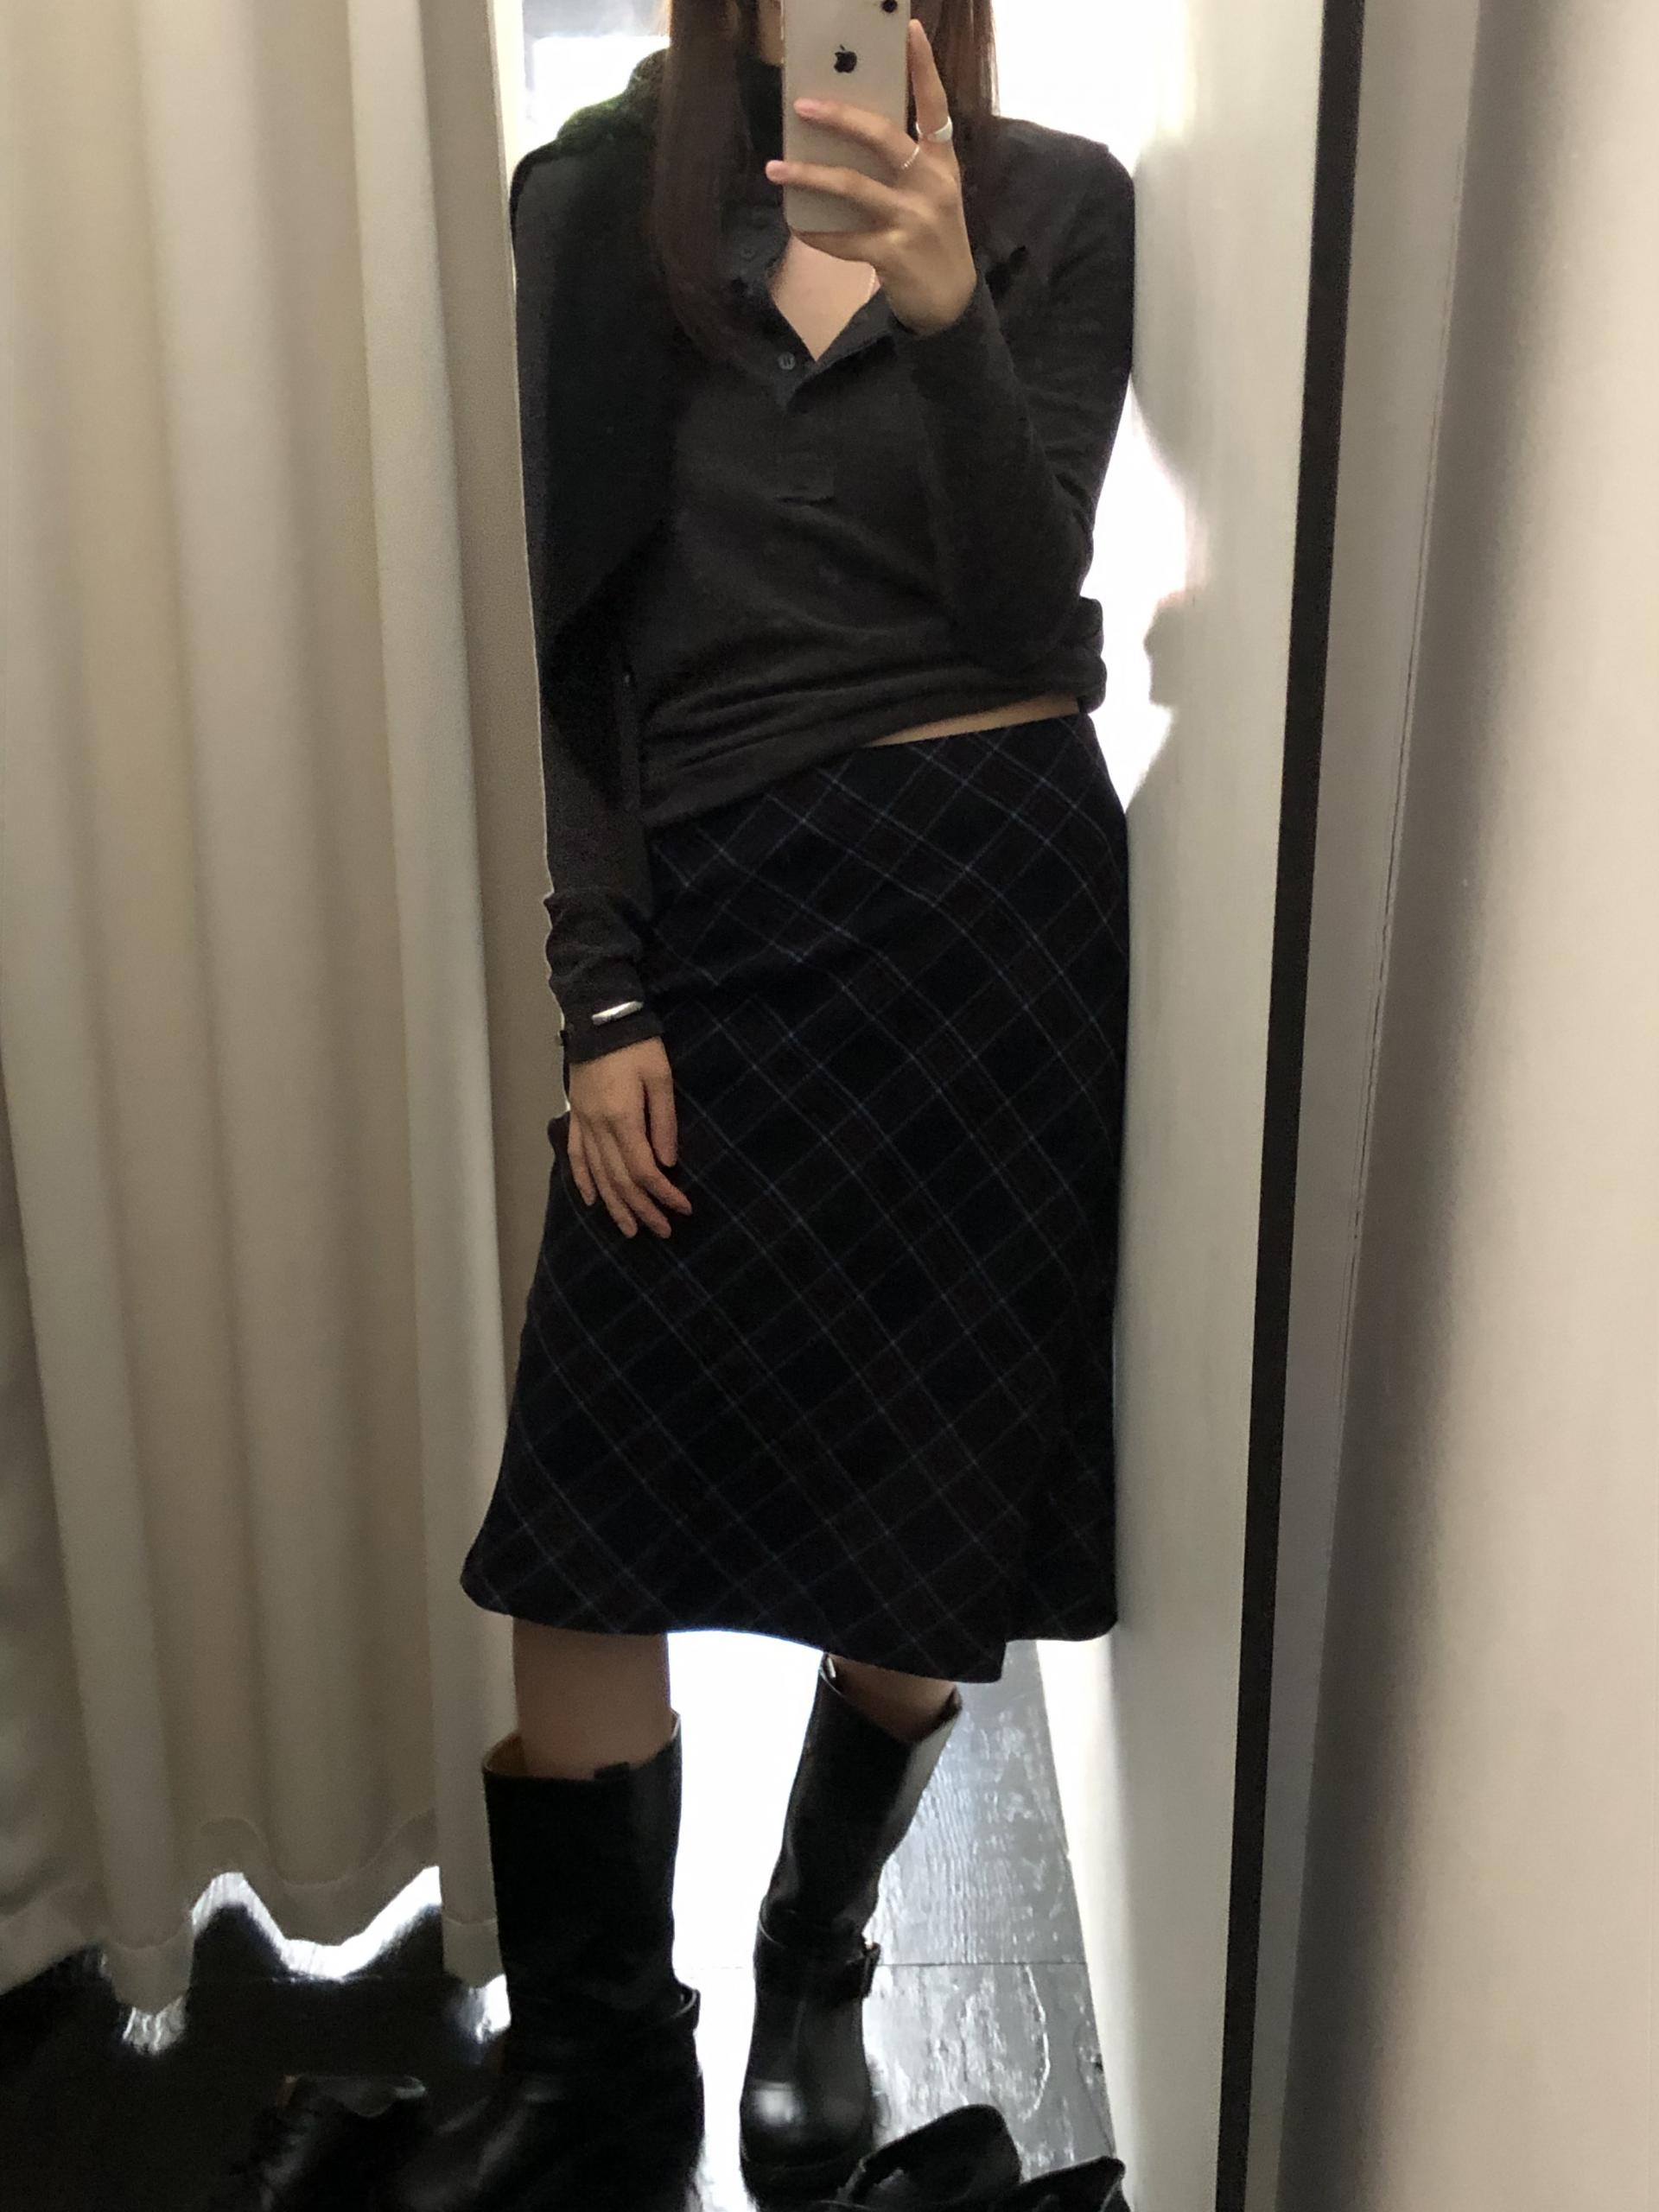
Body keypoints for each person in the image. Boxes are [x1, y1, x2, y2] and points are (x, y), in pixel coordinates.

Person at [387, 3, 1134, 2206]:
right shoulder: (594, 208)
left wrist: (950, 311)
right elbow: (584, 649)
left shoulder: (1060, 207)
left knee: (930, 1478)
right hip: (718, 927)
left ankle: (816, 1962)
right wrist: (599, 988)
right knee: (588, 1497)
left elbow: (1030, 607)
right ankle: (602, 2072)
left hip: (995, 926)